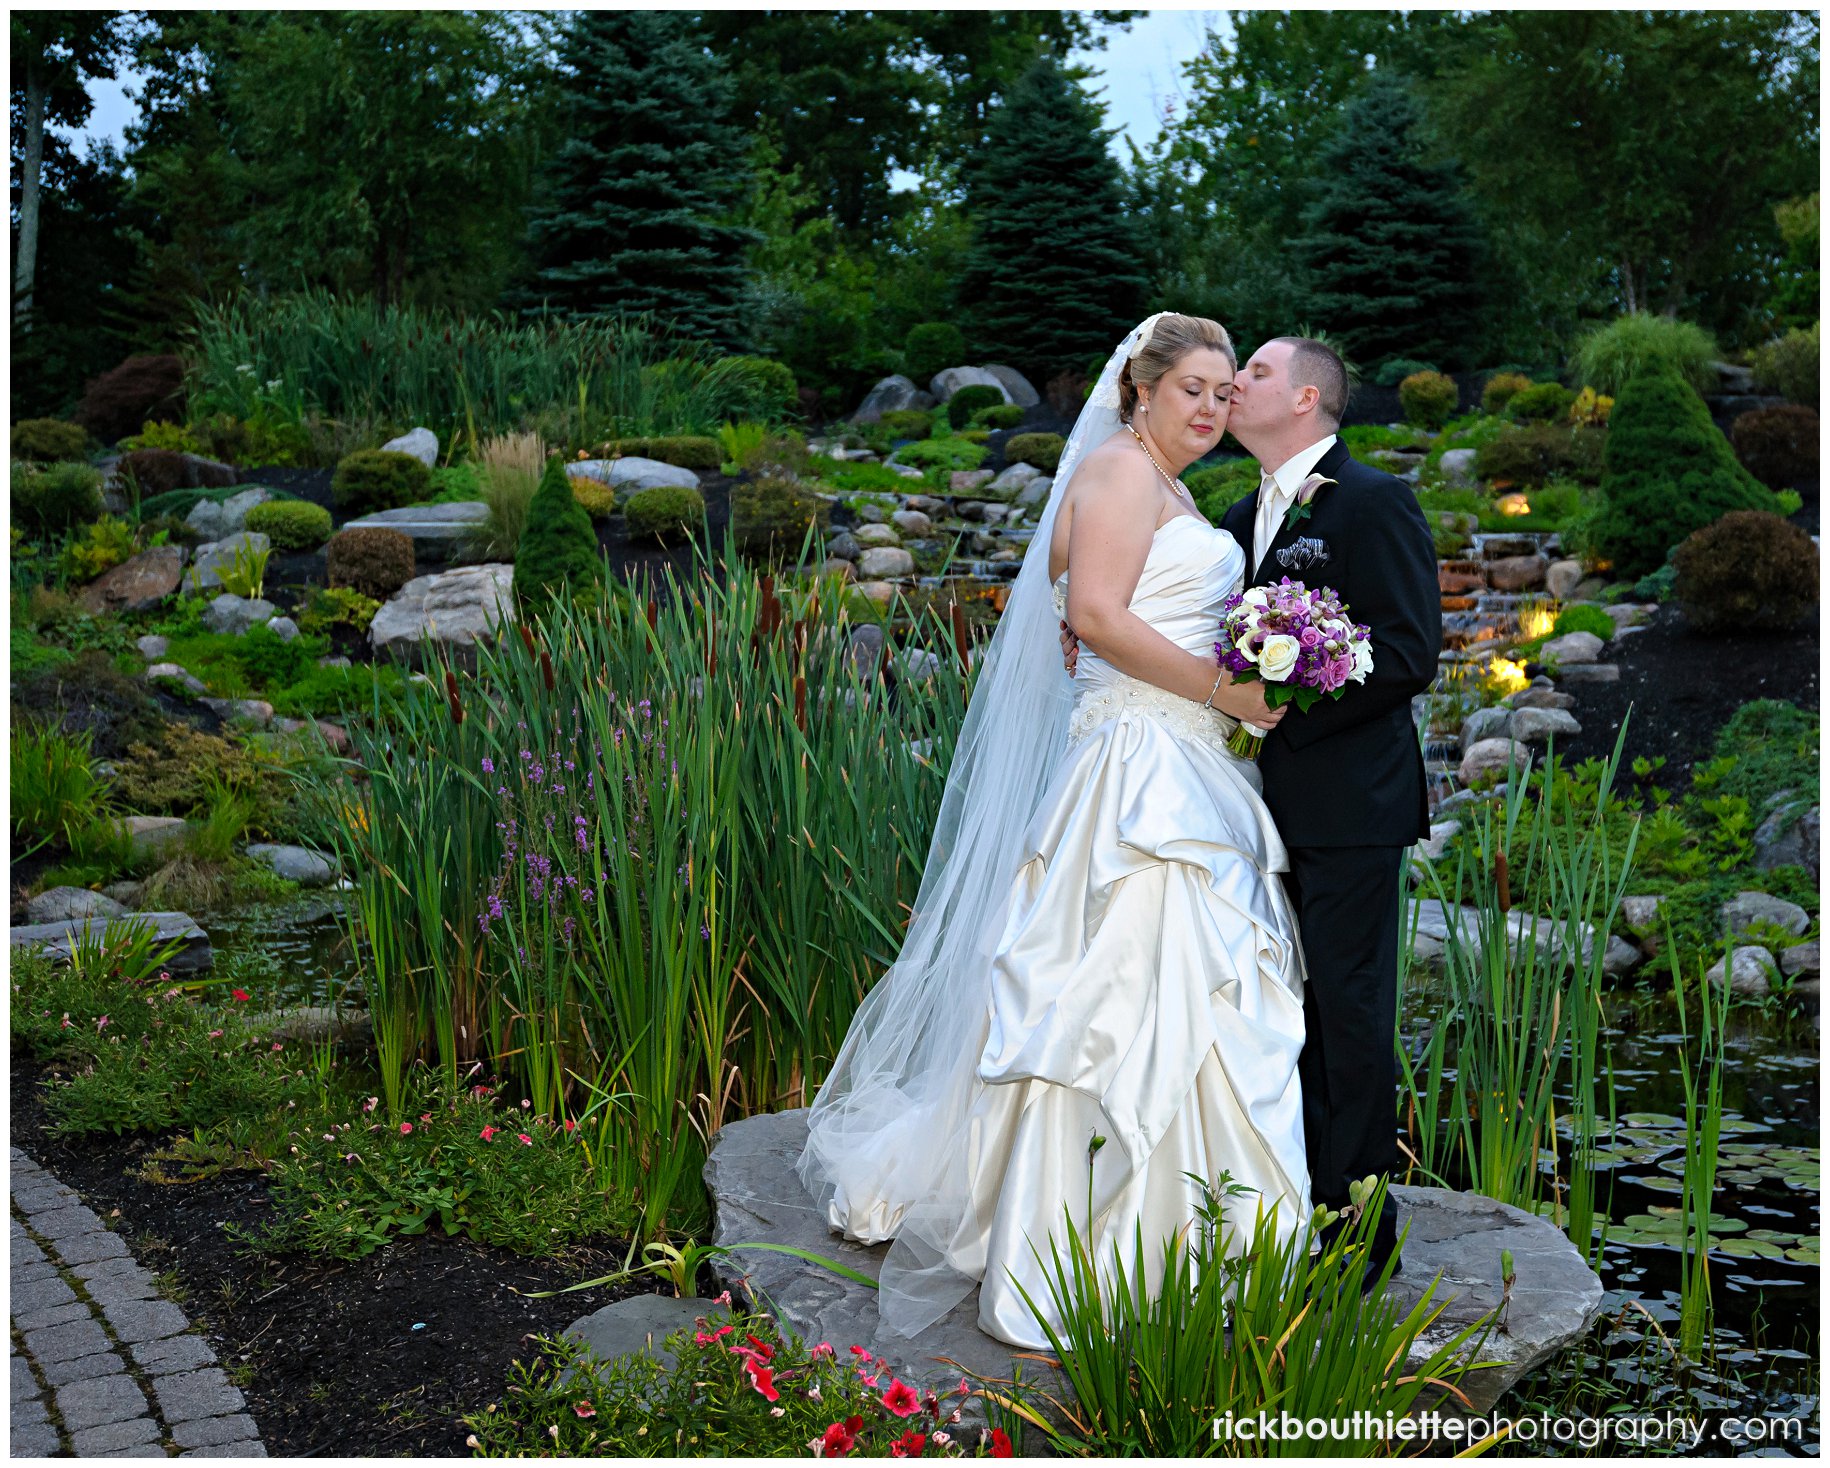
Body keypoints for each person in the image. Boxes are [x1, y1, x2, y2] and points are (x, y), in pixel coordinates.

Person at [796, 313, 1313, 1350]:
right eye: (1191, 390)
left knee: (1179, 998)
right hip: (1138, 781)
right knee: (1120, 999)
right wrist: (1232, 690)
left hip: (1174, 758)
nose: (1210, 408)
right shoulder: (1126, 474)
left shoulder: (1158, 483)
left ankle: (1189, 1229)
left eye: (1223, 392)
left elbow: (1076, 598)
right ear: (1139, 390)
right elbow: (1101, 614)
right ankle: (1102, 1248)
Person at [1194, 337, 1440, 1282]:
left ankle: (1357, 1239)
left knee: (1347, 1011)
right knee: (1272, 1009)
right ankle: (1288, 1205)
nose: (1232, 385)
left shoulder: (1372, 500)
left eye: (1250, 373)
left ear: (1304, 398)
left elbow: (1410, 651)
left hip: (1348, 806)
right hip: (1244, 811)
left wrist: (1282, 710)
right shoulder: (1230, 516)